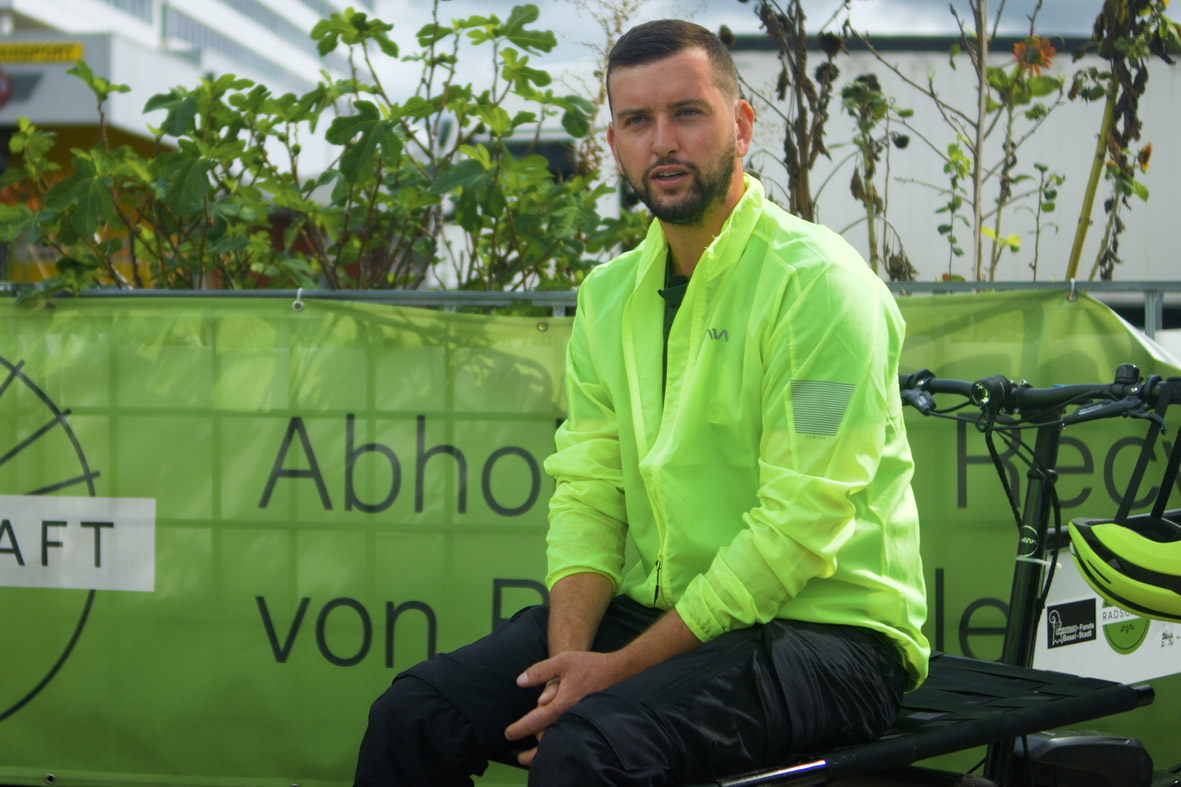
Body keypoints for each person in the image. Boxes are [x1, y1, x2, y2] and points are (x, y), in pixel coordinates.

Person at [353, 19, 929, 786]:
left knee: (588, 747)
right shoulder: (608, 295)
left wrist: (617, 669)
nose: (663, 141)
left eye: (687, 113)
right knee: (413, 716)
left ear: (741, 124)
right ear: (616, 141)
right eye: (636, 121)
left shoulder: (821, 286)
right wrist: (573, 661)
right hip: (668, 614)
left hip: (830, 635)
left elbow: (801, 522)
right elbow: (590, 490)